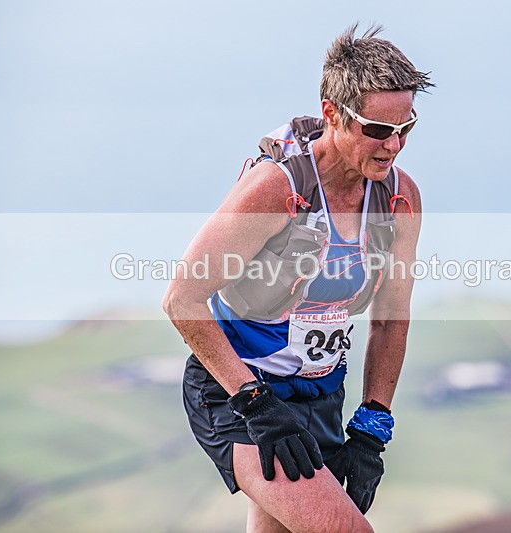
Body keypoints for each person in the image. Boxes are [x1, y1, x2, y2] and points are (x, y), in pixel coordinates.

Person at [162, 23, 432, 532]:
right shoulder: (274, 190)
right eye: (377, 130)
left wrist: (372, 428)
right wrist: (256, 403)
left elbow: (390, 319)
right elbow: (183, 299)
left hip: (319, 396)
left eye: (406, 128)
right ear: (332, 114)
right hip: (239, 394)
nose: (394, 145)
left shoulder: (400, 201)